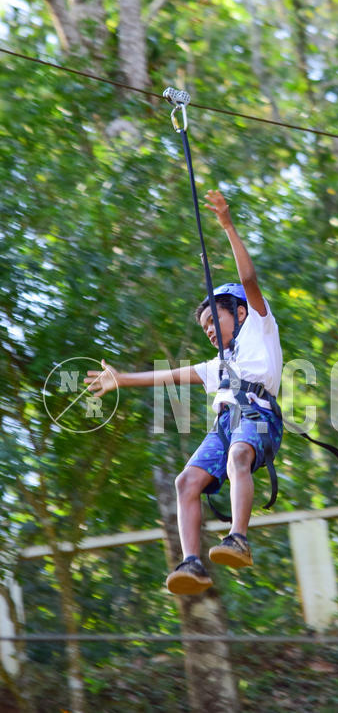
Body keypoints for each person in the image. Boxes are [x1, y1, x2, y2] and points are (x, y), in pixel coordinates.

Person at [84, 189, 284, 595]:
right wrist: (122, 379)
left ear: (239, 312)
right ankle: (193, 563)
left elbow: (248, 280)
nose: (209, 331)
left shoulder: (259, 326)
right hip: (226, 424)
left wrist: (227, 226)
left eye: (214, 320)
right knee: (185, 481)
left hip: (257, 416)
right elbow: (171, 375)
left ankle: (239, 538)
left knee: (239, 455)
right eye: (204, 327)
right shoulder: (218, 366)